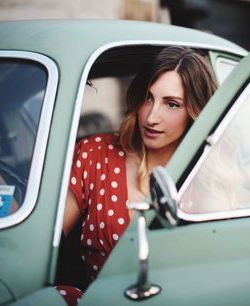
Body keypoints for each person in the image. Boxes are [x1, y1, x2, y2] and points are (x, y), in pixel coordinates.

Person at [55, 46, 218, 305]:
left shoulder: (209, 177)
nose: (152, 117)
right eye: (148, 98)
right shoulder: (96, 153)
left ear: (195, 113)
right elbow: (41, 238)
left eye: (172, 104)